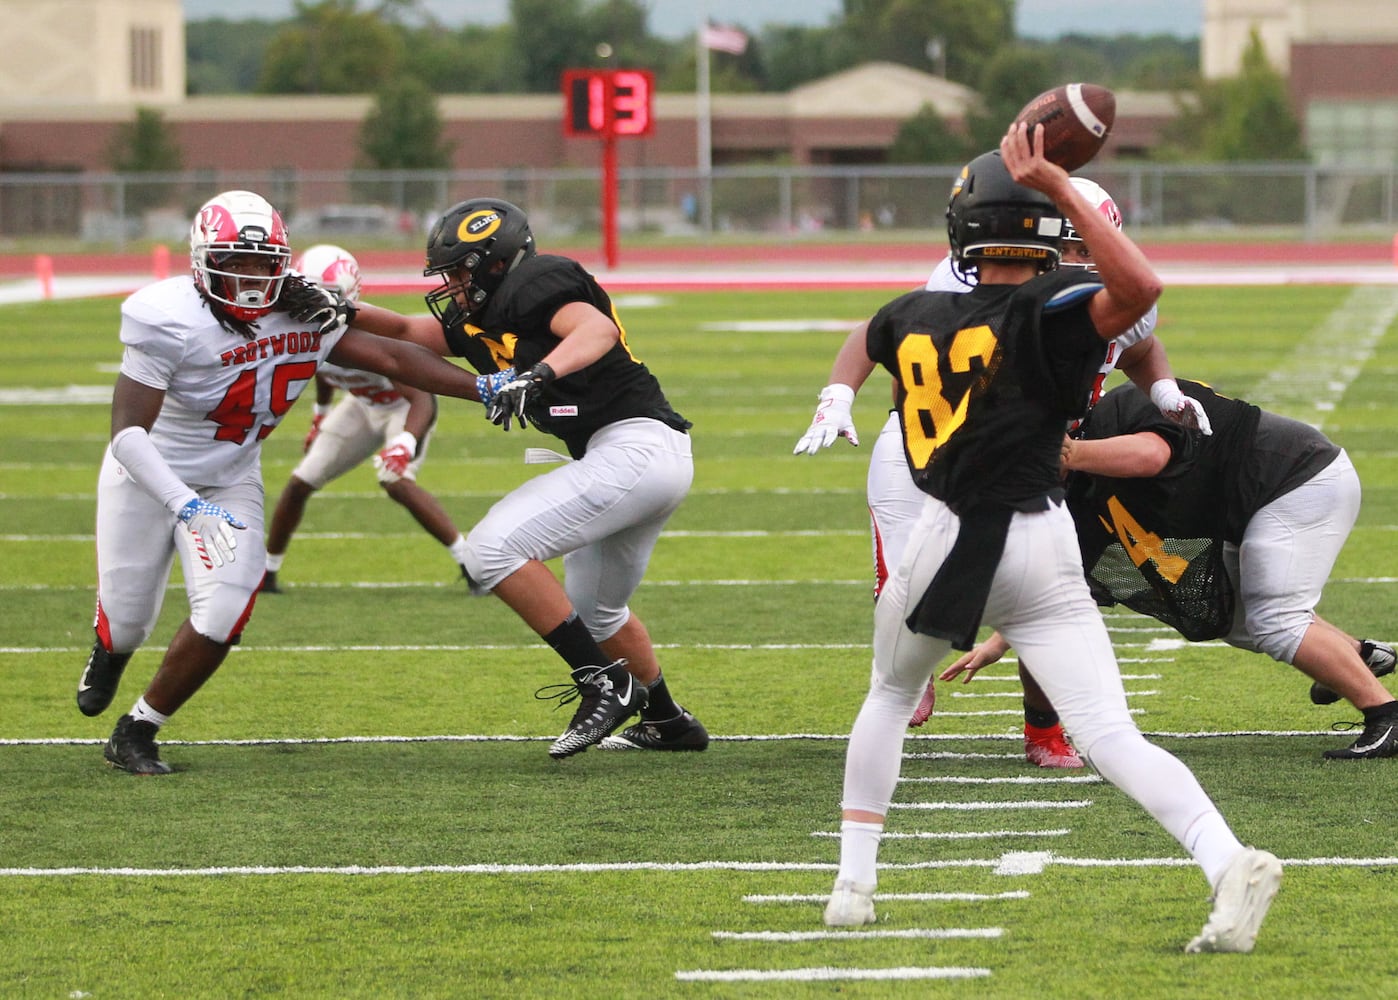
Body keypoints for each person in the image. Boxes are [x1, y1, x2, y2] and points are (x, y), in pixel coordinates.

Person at [820, 128, 1281, 955]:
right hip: (1041, 540)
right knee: (1110, 733)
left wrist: (833, 395)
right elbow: (1137, 288)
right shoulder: (1058, 307)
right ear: (1046, 231)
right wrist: (1066, 191)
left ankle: (853, 887)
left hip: (946, 537)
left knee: (890, 697)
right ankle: (1225, 858)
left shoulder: (911, 315)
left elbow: (875, 333)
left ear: (961, 230)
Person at [797, 176, 1210, 769]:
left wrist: (1165, 391)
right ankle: (903, 682)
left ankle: (1045, 730)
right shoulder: (971, 282)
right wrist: (838, 394)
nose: (1079, 262)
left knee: (1051, 595)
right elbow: (882, 333)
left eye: (1090, 248)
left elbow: (1138, 343)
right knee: (911, 583)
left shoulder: (1110, 298)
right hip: (934, 444)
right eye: (1068, 249)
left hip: (1033, 457)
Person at [75, 190, 492, 775]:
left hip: (229, 477)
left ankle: (139, 728)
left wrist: (485, 389)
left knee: (224, 612)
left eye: (264, 262)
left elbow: (394, 359)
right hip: (147, 475)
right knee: (128, 620)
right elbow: (126, 436)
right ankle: (111, 652)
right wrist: (186, 506)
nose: (251, 277)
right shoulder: (163, 316)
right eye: (236, 262)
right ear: (200, 259)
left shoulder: (302, 307)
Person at [349, 197, 708, 759]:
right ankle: (668, 720)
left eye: (459, 272)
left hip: (634, 447)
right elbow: (401, 330)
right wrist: (339, 309)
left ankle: (601, 682)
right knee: (597, 611)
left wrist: (539, 374)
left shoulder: (537, 281)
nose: (451, 285)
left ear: (496, 264)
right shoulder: (482, 315)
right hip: (639, 458)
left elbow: (594, 331)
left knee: (491, 548)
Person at [942, 378, 1395, 760]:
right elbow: (1062, 595)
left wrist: (1069, 454)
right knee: (1241, 619)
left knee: (1276, 620)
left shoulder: (1125, 404)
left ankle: (1385, 715)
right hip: (1257, 507)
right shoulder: (1074, 499)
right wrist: (1000, 643)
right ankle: (1357, 658)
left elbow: (1152, 456)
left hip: (1299, 480)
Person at [262, 244, 472, 592]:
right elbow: (322, 372)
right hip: (360, 404)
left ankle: (469, 563)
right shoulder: (304, 330)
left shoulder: (370, 335)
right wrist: (320, 416)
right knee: (301, 481)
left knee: (395, 482)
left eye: (321, 297)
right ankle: (267, 572)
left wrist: (405, 443)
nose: (311, 306)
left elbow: (421, 399)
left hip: (402, 408)